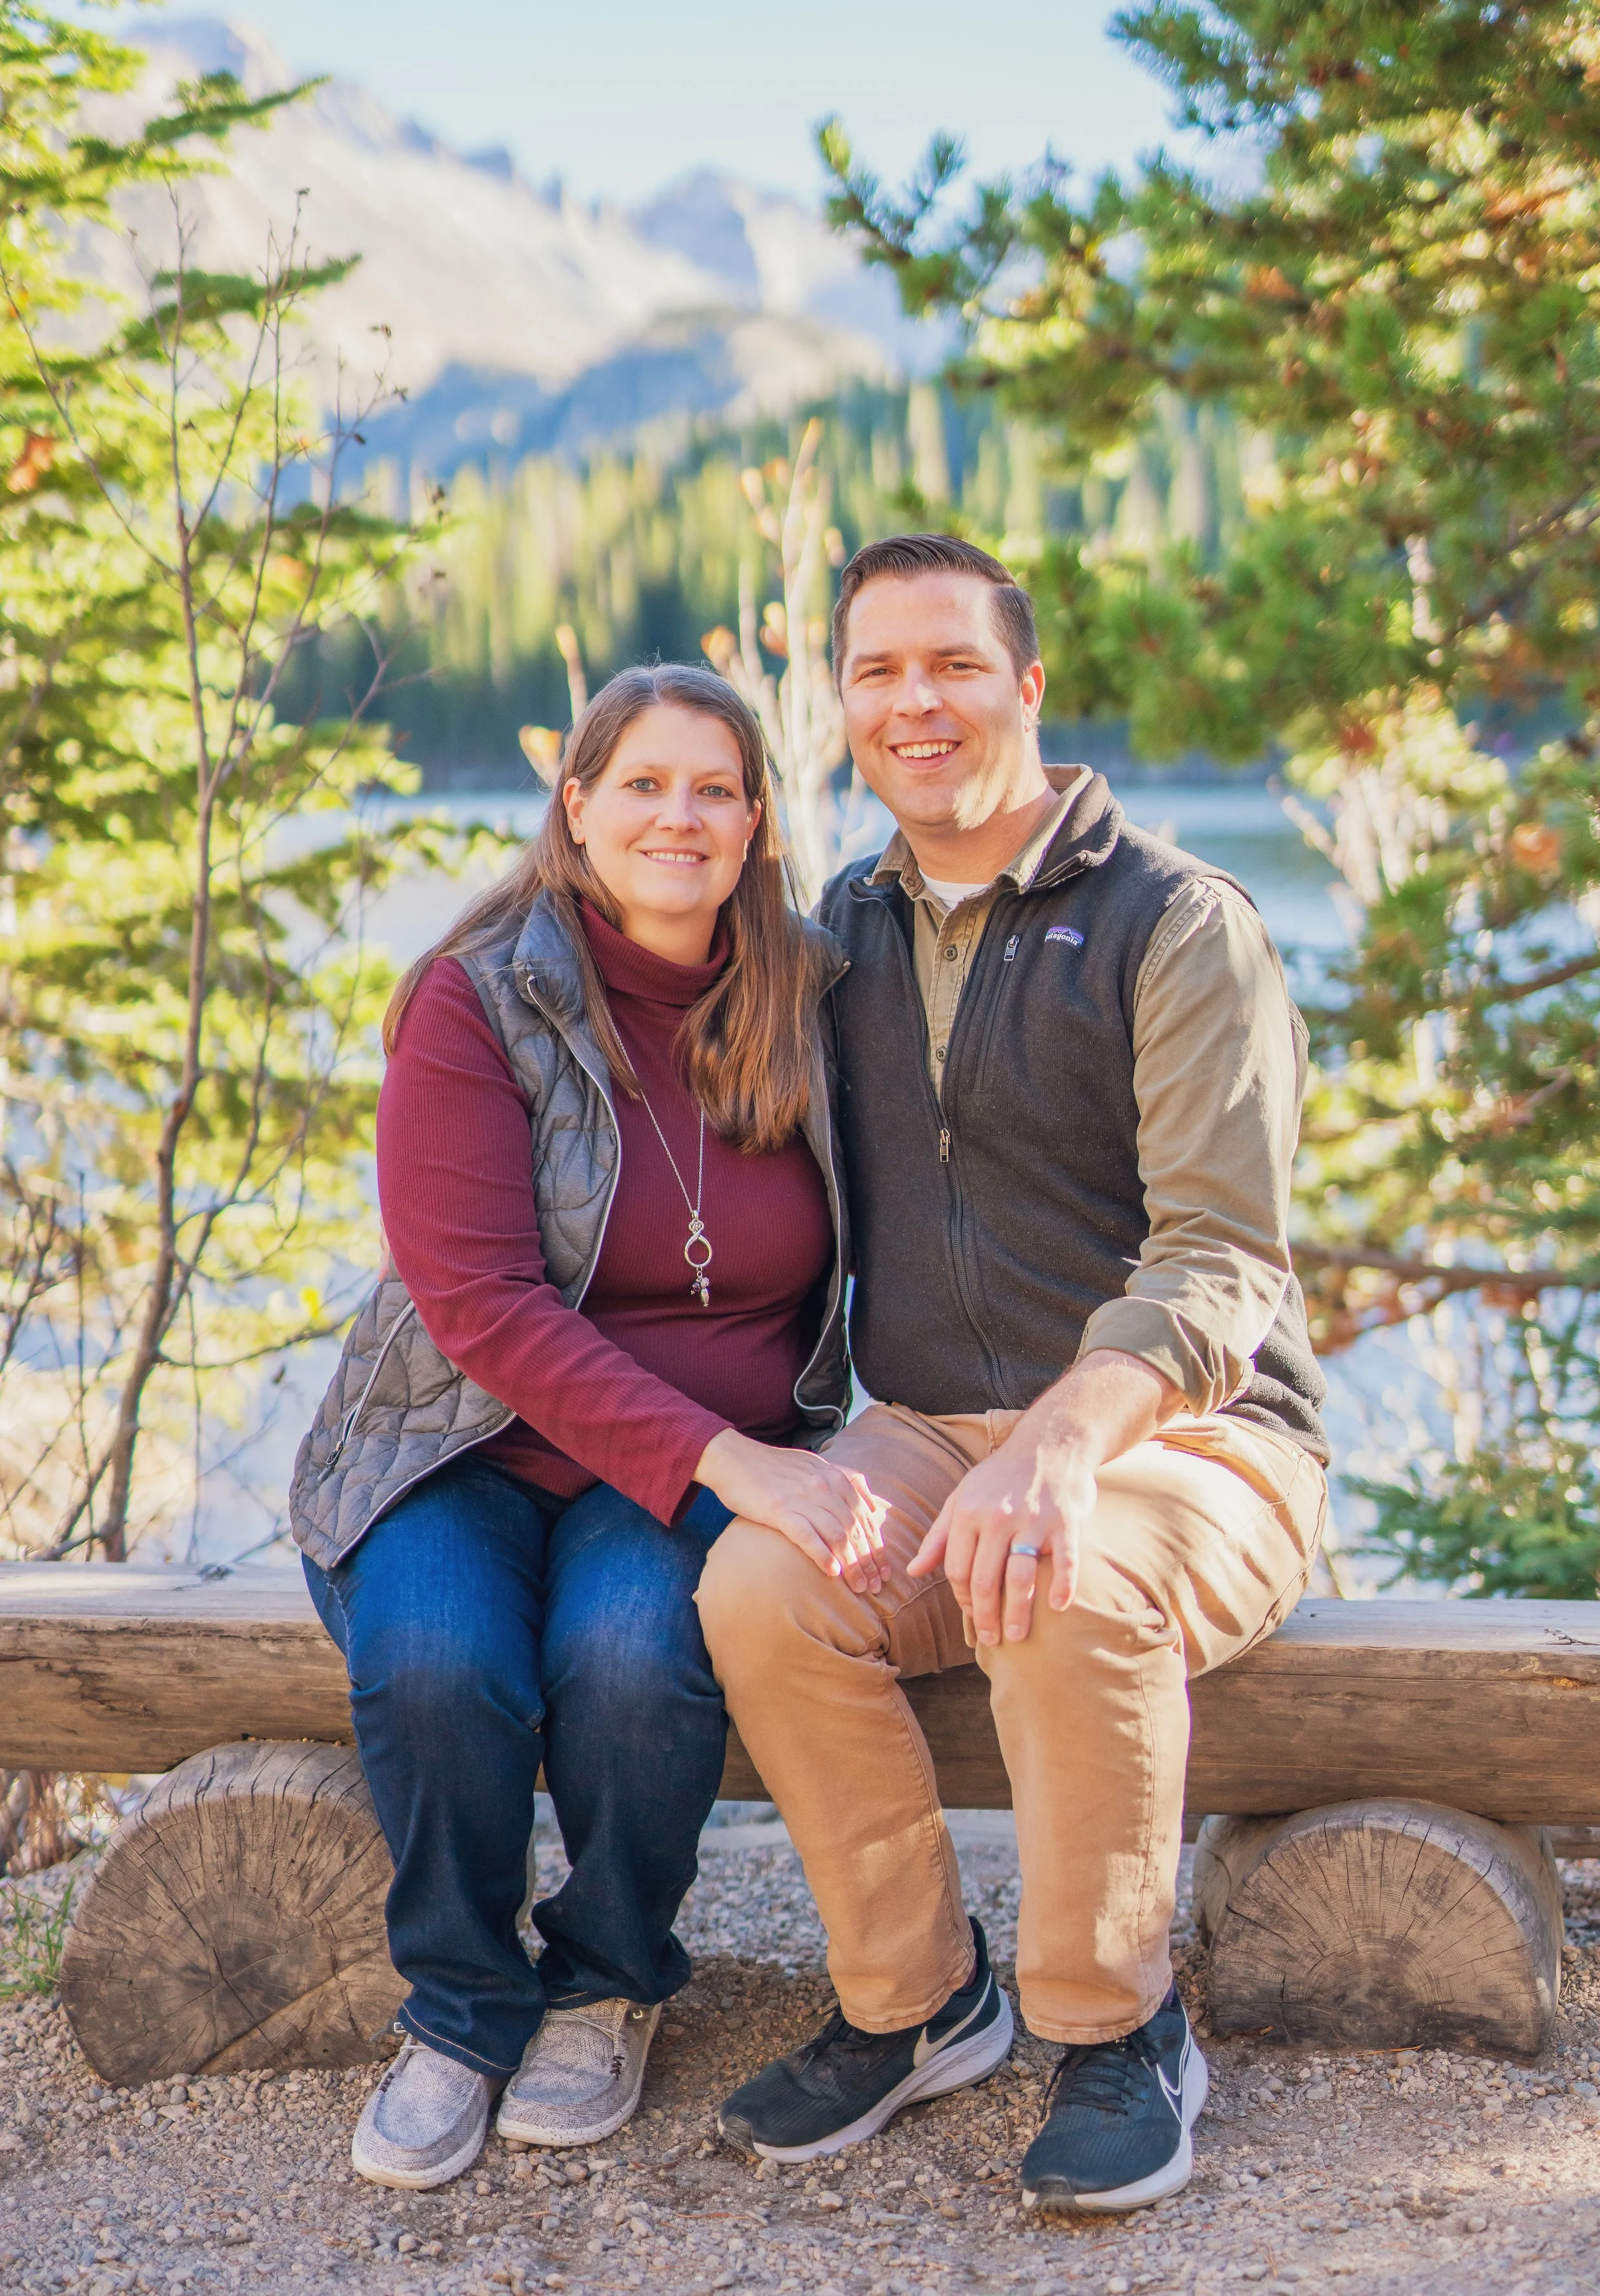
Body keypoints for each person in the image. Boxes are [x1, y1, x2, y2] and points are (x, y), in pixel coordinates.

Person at [696, 536, 1330, 2213]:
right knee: (764, 1587)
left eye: (953, 664)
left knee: (1061, 1566)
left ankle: (1118, 2025)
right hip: (920, 1426)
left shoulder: (1174, 921)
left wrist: (1062, 1438)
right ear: (842, 706)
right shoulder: (845, 923)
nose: (916, 700)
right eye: (879, 671)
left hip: (1185, 1436)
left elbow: (1221, 1258)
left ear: (1026, 685)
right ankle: (914, 2004)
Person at [289, 663, 882, 2191]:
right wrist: (733, 1465)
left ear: (755, 821)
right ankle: (465, 2007)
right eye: (641, 784)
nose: (675, 816)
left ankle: (607, 1973)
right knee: (434, 1660)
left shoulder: (810, 998)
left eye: (712, 788)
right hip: (461, 1442)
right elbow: (481, 1305)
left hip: (685, 1464)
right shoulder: (475, 994)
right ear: (576, 806)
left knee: (627, 1660)